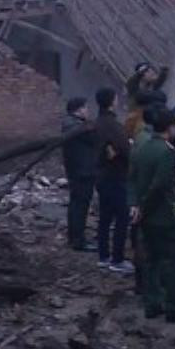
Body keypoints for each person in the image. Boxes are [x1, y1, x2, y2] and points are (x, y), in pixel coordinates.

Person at [129, 106, 175, 323]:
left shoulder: (142, 148)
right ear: (171, 127)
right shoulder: (167, 152)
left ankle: (152, 303)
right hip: (163, 215)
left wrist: (135, 206)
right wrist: (143, 208)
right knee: (173, 262)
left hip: (145, 215)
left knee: (151, 260)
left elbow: (132, 178)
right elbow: (160, 186)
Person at [94, 87, 132, 272]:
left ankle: (103, 255)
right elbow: (124, 149)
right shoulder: (113, 125)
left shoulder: (97, 122)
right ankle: (117, 258)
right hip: (116, 175)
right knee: (122, 217)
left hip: (101, 175)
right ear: (111, 101)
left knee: (105, 217)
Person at [61, 97, 100, 252]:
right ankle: (78, 240)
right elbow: (95, 140)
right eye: (85, 108)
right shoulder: (78, 128)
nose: (87, 111)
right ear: (78, 110)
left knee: (75, 204)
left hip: (75, 170)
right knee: (80, 206)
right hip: (83, 171)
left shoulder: (68, 124)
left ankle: (74, 237)